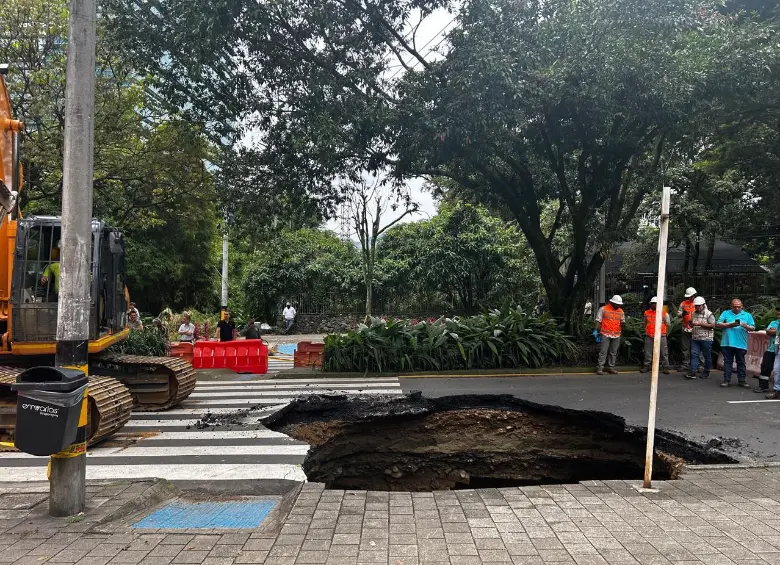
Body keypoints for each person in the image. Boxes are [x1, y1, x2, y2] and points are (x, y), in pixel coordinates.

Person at [716, 298, 755, 388]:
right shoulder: (725, 313)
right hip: (727, 343)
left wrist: (745, 325)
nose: (737, 309)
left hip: (741, 343)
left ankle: (742, 381)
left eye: (739, 307)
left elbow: (753, 327)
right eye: (735, 307)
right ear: (731, 306)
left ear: (742, 306)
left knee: (741, 362)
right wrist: (730, 324)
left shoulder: (747, 315)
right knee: (727, 362)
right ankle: (726, 380)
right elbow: (718, 324)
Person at [595, 295, 625, 375]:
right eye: (616, 304)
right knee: (603, 351)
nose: (617, 305)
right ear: (611, 302)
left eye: (619, 304)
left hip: (616, 334)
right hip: (605, 334)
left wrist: (622, 332)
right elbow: (598, 321)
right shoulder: (603, 309)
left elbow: (622, 322)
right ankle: (600, 368)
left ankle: (611, 367)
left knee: (613, 352)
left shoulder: (621, 311)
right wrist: (596, 332)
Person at [688, 296, 716, 380]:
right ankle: (693, 372)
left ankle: (706, 372)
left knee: (706, 356)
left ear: (703, 305)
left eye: (699, 305)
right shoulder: (694, 313)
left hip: (706, 338)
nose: (697, 307)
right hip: (695, 338)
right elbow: (693, 323)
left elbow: (713, 325)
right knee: (694, 354)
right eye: (696, 306)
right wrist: (691, 324)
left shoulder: (709, 314)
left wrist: (700, 324)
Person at [641, 297, 670, 374]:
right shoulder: (646, 313)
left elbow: (668, 324)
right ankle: (647, 366)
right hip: (649, 335)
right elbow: (645, 323)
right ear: (650, 304)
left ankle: (665, 367)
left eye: (655, 303)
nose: (654, 305)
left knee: (664, 352)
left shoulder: (664, 314)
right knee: (648, 352)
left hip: (661, 335)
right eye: (652, 303)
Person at [754, 306, 780, 393]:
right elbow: (768, 332)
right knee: (765, 367)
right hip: (772, 349)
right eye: (778, 311)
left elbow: (773, 332)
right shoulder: (774, 322)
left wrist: (775, 331)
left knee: (777, 369)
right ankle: (763, 386)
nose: (778, 313)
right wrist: (775, 331)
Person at [677, 287, 697, 372]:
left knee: (697, 348)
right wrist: (682, 313)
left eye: (692, 296)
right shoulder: (683, 303)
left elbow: (705, 314)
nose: (690, 298)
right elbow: (678, 314)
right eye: (689, 296)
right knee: (685, 348)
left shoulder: (699, 303)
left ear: (695, 295)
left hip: (696, 329)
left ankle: (699, 365)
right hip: (685, 328)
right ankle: (686, 364)